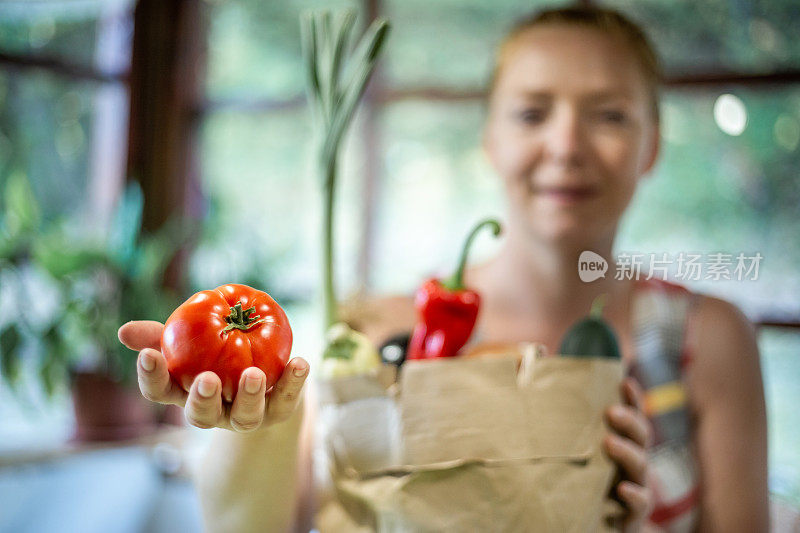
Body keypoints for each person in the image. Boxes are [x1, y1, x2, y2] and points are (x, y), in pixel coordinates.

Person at [118, 6, 769, 532]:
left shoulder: (707, 338)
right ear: (489, 138)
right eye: (532, 112)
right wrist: (248, 422)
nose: (566, 145)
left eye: (609, 115)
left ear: (652, 144)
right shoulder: (376, 327)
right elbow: (253, 525)